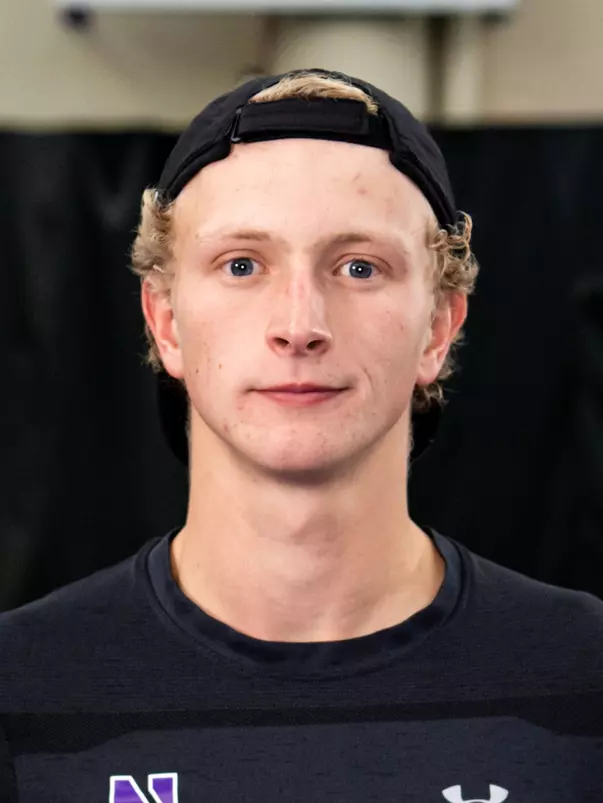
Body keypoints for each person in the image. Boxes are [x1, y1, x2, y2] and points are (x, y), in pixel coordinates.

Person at [1, 68, 602, 803]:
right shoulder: (21, 687)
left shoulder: (584, 674)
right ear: (164, 321)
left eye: (358, 266)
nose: (299, 324)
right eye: (242, 264)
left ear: (439, 327)